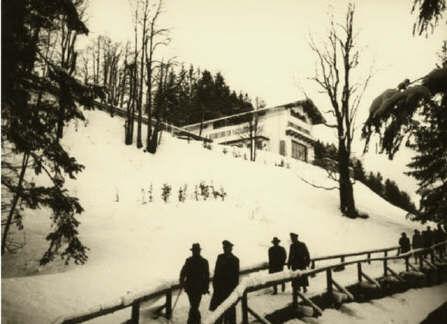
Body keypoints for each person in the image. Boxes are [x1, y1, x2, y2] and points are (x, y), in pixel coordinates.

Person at [209, 240, 239, 324]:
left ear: (231, 249)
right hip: (219, 290)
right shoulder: (220, 257)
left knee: (230, 314)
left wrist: (233, 291)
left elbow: (236, 278)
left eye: (227, 248)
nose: (225, 249)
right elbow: (216, 273)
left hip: (229, 290)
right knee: (218, 313)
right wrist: (215, 286)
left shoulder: (235, 260)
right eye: (224, 248)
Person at [180, 243, 210, 324]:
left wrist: (206, 287)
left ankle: (192, 321)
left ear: (199, 251)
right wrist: (182, 282)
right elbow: (183, 272)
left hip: (199, 289)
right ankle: (196, 321)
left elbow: (207, 276)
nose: (195, 252)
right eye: (194, 251)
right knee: (194, 305)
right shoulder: (189, 261)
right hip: (190, 288)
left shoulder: (204, 262)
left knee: (194, 305)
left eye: (196, 250)